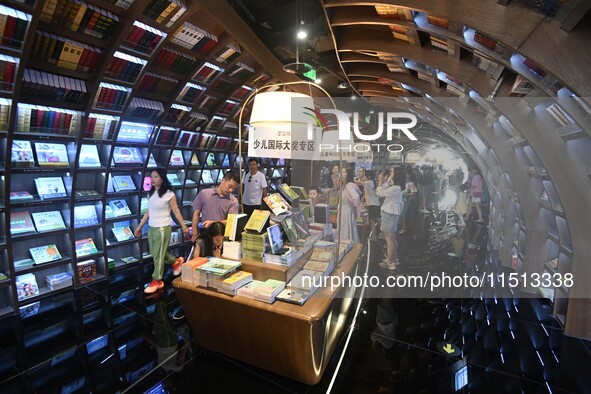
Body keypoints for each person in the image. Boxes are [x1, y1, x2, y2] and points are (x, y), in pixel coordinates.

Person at [134, 169, 189, 294]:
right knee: (154, 253)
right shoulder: (151, 194)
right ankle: (176, 261)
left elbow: (176, 211)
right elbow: (148, 212)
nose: (153, 179)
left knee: (158, 255)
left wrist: (183, 226)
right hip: (151, 227)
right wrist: (140, 226)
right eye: (152, 177)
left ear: (162, 179)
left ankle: (157, 280)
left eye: (156, 177)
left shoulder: (169, 194)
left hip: (163, 227)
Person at [191, 171, 240, 241]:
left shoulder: (233, 201)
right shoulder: (204, 193)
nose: (231, 190)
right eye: (230, 186)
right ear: (223, 180)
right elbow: (196, 213)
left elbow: (231, 221)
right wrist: (195, 234)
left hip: (222, 237)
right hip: (205, 235)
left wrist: (214, 223)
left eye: (234, 188)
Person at [376, 166, 405, 271]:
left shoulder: (395, 188)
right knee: (392, 238)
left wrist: (380, 181)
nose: (391, 173)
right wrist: (387, 181)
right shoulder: (397, 187)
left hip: (389, 214)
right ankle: (393, 258)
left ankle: (390, 262)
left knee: (389, 239)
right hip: (391, 213)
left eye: (392, 172)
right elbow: (386, 187)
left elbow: (379, 192)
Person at [338, 167, 362, 243]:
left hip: (347, 212)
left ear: (348, 174)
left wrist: (354, 206)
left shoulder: (349, 185)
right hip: (345, 212)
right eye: (341, 172)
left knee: (346, 232)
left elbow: (356, 197)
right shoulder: (344, 186)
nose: (341, 174)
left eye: (344, 172)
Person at [362, 170, 380, 241]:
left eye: (364, 176)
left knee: (372, 220)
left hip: (372, 204)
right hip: (376, 203)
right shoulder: (372, 182)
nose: (364, 177)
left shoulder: (368, 182)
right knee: (377, 219)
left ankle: (374, 236)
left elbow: (358, 183)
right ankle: (381, 233)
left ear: (368, 176)